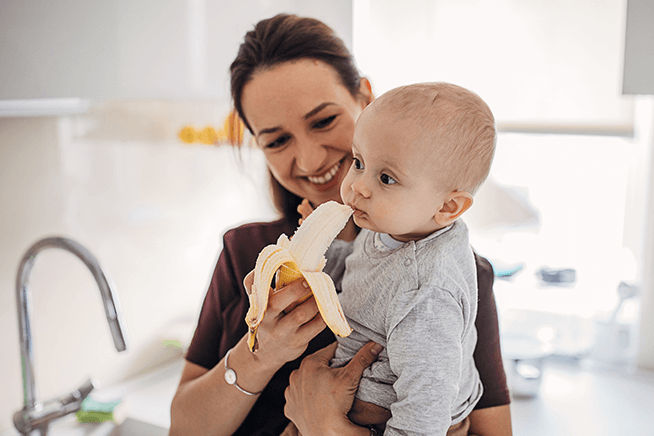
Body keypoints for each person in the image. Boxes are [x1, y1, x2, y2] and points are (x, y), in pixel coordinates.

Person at [169, 14, 511, 436]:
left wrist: (326, 429)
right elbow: (183, 430)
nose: (311, 160)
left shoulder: (447, 278)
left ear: (365, 99)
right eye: (277, 140)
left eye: (323, 121)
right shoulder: (244, 252)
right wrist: (261, 353)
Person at [316, 82, 493, 435]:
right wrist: (316, 262)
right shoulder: (395, 223)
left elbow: (425, 406)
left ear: (447, 207)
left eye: (386, 178)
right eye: (358, 162)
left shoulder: (427, 293)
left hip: (391, 418)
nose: (358, 186)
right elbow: (362, 267)